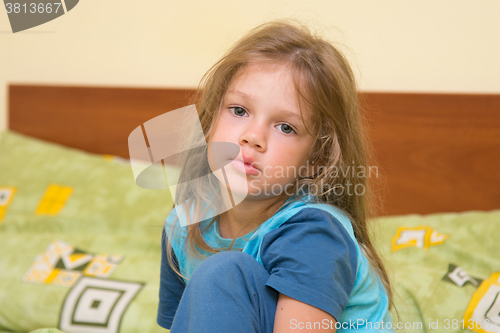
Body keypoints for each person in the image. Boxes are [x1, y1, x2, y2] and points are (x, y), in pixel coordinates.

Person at [157, 20, 394, 332]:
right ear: (210, 121)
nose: (252, 137)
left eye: (286, 127)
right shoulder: (183, 225)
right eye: (239, 110)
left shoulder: (314, 234)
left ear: (315, 161)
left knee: (227, 272)